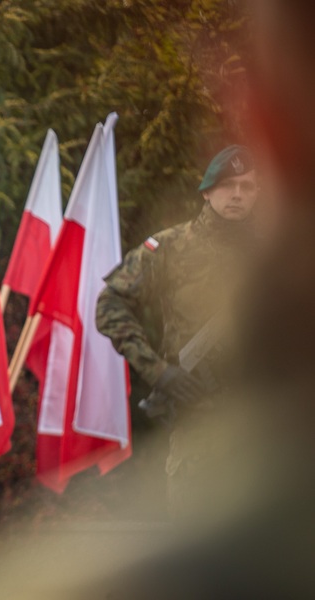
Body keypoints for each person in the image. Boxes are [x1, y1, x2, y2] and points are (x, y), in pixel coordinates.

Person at [96, 145, 261, 518]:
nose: (237, 194)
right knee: (200, 567)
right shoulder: (171, 247)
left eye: (247, 186)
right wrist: (159, 372)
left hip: (265, 434)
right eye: (227, 185)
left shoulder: (274, 254)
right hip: (197, 433)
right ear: (206, 191)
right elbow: (110, 305)